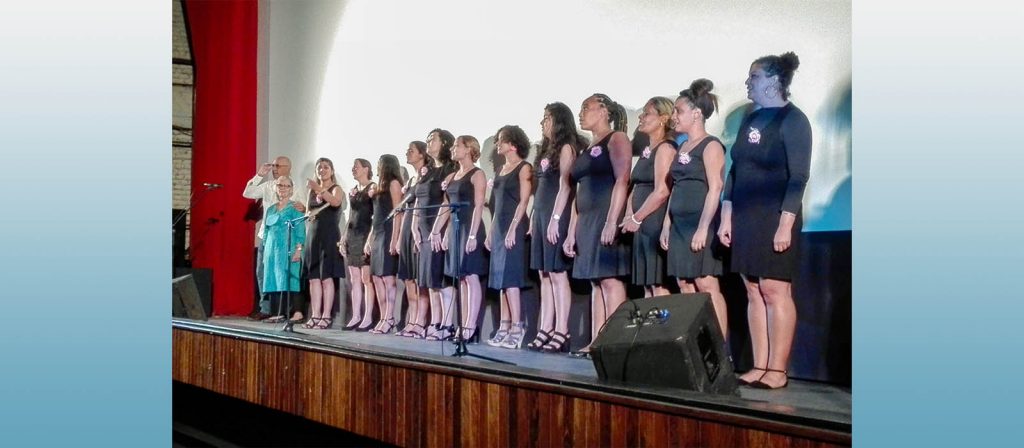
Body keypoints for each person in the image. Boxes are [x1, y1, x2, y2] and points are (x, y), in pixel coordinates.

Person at [719, 52, 811, 389]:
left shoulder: (794, 120)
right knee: (753, 289)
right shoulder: (751, 119)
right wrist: (726, 216)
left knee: (774, 289)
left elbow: (798, 177)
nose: (748, 82)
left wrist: (785, 224)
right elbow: (735, 170)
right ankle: (759, 365)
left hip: (774, 215)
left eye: (754, 76)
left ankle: (777, 370)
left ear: (774, 81)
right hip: (745, 216)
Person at [564, 94, 633, 358]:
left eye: (586, 108)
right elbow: (578, 191)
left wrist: (612, 221)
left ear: (604, 111)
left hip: (606, 215)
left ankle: (612, 342)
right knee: (596, 282)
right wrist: (571, 231)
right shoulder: (587, 147)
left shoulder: (616, 139)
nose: (581, 113)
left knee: (610, 279)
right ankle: (596, 340)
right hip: (587, 220)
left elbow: (622, 179)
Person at [660, 79, 728, 338]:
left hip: (700, 225)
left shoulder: (711, 145)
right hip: (679, 227)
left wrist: (703, 228)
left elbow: (716, 187)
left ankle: (719, 347)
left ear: (697, 113)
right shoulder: (682, 147)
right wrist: (667, 224)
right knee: (685, 284)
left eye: (679, 111)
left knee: (706, 284)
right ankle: (696, 344)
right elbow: (675, 186)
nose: (674, 116)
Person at [527, 103, 584, 353]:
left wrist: (556, 218)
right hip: (541, 214)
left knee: (558, 274)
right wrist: (534, 217)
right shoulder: (544, 150)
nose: (543, 123)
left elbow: (565, 186)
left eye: (547, 118)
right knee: (544, 273)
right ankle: (546, 327)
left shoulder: (566, 148)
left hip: (555, 215)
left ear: (559, 121)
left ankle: (562, 330)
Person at [431, 135, 488, 343]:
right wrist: (438, 230)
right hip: (455, 229)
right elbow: (446, 207)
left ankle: (471, 325)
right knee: (461, 279)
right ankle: (463, 324)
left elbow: (479, 206)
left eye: (457, 146)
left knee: (471, 277)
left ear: (469, 149)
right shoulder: (452, 176)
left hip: (469, 228)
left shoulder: (477, 174)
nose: (453, 149)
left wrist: (472, 235)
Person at [484, 126, 533, 349]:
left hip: (515, 226)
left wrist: (513, 228)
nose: (498, 144)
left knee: (511, 279)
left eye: (501, 140)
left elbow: (523, 201)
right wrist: (491, 231)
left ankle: (517, 327)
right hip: (500, 227)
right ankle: (503, 326)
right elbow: (497, 205)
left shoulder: (524, 168)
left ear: (513, 144)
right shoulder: (500, 170)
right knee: (501, 281)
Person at [620, 97, 675, 297]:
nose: (641, 117)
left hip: (654, 220)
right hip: (639, 222)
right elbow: (636, 185)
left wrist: (637, 217)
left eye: (647, 113)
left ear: (663, 118)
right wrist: (629, 214)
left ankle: (662, 318)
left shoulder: (665, 148)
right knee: (646, 284)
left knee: (657, 282)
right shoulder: (647, 151)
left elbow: (662, 191)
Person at [242, 156, 306, 321]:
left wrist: (299, 248)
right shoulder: (269, 188)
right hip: (269, 240)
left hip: (288, 242)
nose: (275, 168)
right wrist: (259, 175)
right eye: (274, 165)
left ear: (288, 168)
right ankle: (268, 309)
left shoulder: (296, 191)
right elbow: (247, 193)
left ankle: (290, 311)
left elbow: (302, 216)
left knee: (288, 276)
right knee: (265, 273)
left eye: (278, 166)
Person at [412, 129, 458, 340]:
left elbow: (449, 202)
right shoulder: (428, 171)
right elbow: (419, 199)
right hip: (423, 229)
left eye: (433, 139)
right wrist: (414, 227)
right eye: (428, 139)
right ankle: (435, 321)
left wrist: (442, 230)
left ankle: (447, 324)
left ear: (445, 143)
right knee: (429, 278)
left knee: (441, 277)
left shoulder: (450, 169)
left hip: (438, 228)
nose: (429, 142)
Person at [303, 157, 346, 329]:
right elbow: (308, 212)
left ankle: (326, 315)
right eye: (319, 167)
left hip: (329, 236)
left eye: (326, 167)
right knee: (313, 278)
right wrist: (308, 214)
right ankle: (315, 314)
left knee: (326, 277)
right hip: (313, 236)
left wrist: (319, 188)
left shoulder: (336, 189)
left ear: (332, 170)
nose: (322, 170)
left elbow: (335, 202)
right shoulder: (312, 192)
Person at [396, 141, 431, 338]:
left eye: (412, 150)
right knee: (409, 277)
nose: (407, 153)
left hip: (420, 228)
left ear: (422, 154)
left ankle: (421, 320)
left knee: (420, 278)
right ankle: (412, 319)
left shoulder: (427, 176)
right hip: (407, 228)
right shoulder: (410, 180)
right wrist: (399, 237)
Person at [260, 176, 306, 322]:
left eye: (286, 186)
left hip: (288, 248)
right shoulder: (271, 209)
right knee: (273, 279)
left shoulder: (295, 208)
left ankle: (296, 312)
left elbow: (300, 230)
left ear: (291, 189)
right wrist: (265, 249)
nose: (283, 188)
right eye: (280, 185)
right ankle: (277, 312)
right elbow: (266, 231)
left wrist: (298, 249)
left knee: (291, 278)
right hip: (271, 250)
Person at [367, 154, 404, 334]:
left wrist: (395, 238)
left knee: (388, 277)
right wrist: (369, 238)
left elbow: (398, 212)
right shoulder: (379, 187)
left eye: (379, 163)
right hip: (378, 231)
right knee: (376, 277)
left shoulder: (394, 184)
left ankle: (390, 317)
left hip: (389, 232)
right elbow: (376, 215)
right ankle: (383, 317)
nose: (377, 166)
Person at [340, 159, 377, 331]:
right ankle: (356, 315)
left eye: (357, 166)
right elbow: (351, 216)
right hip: (353, 235)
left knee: (366, 278)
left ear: (366, 169)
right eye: (353, 166)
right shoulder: (353, 190)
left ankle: (368, 317)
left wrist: (370, 238)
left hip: (365, 233)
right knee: (354, 278)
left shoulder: (372, 187)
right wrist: (344, 237)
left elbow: (376, 215)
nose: (353, 169)